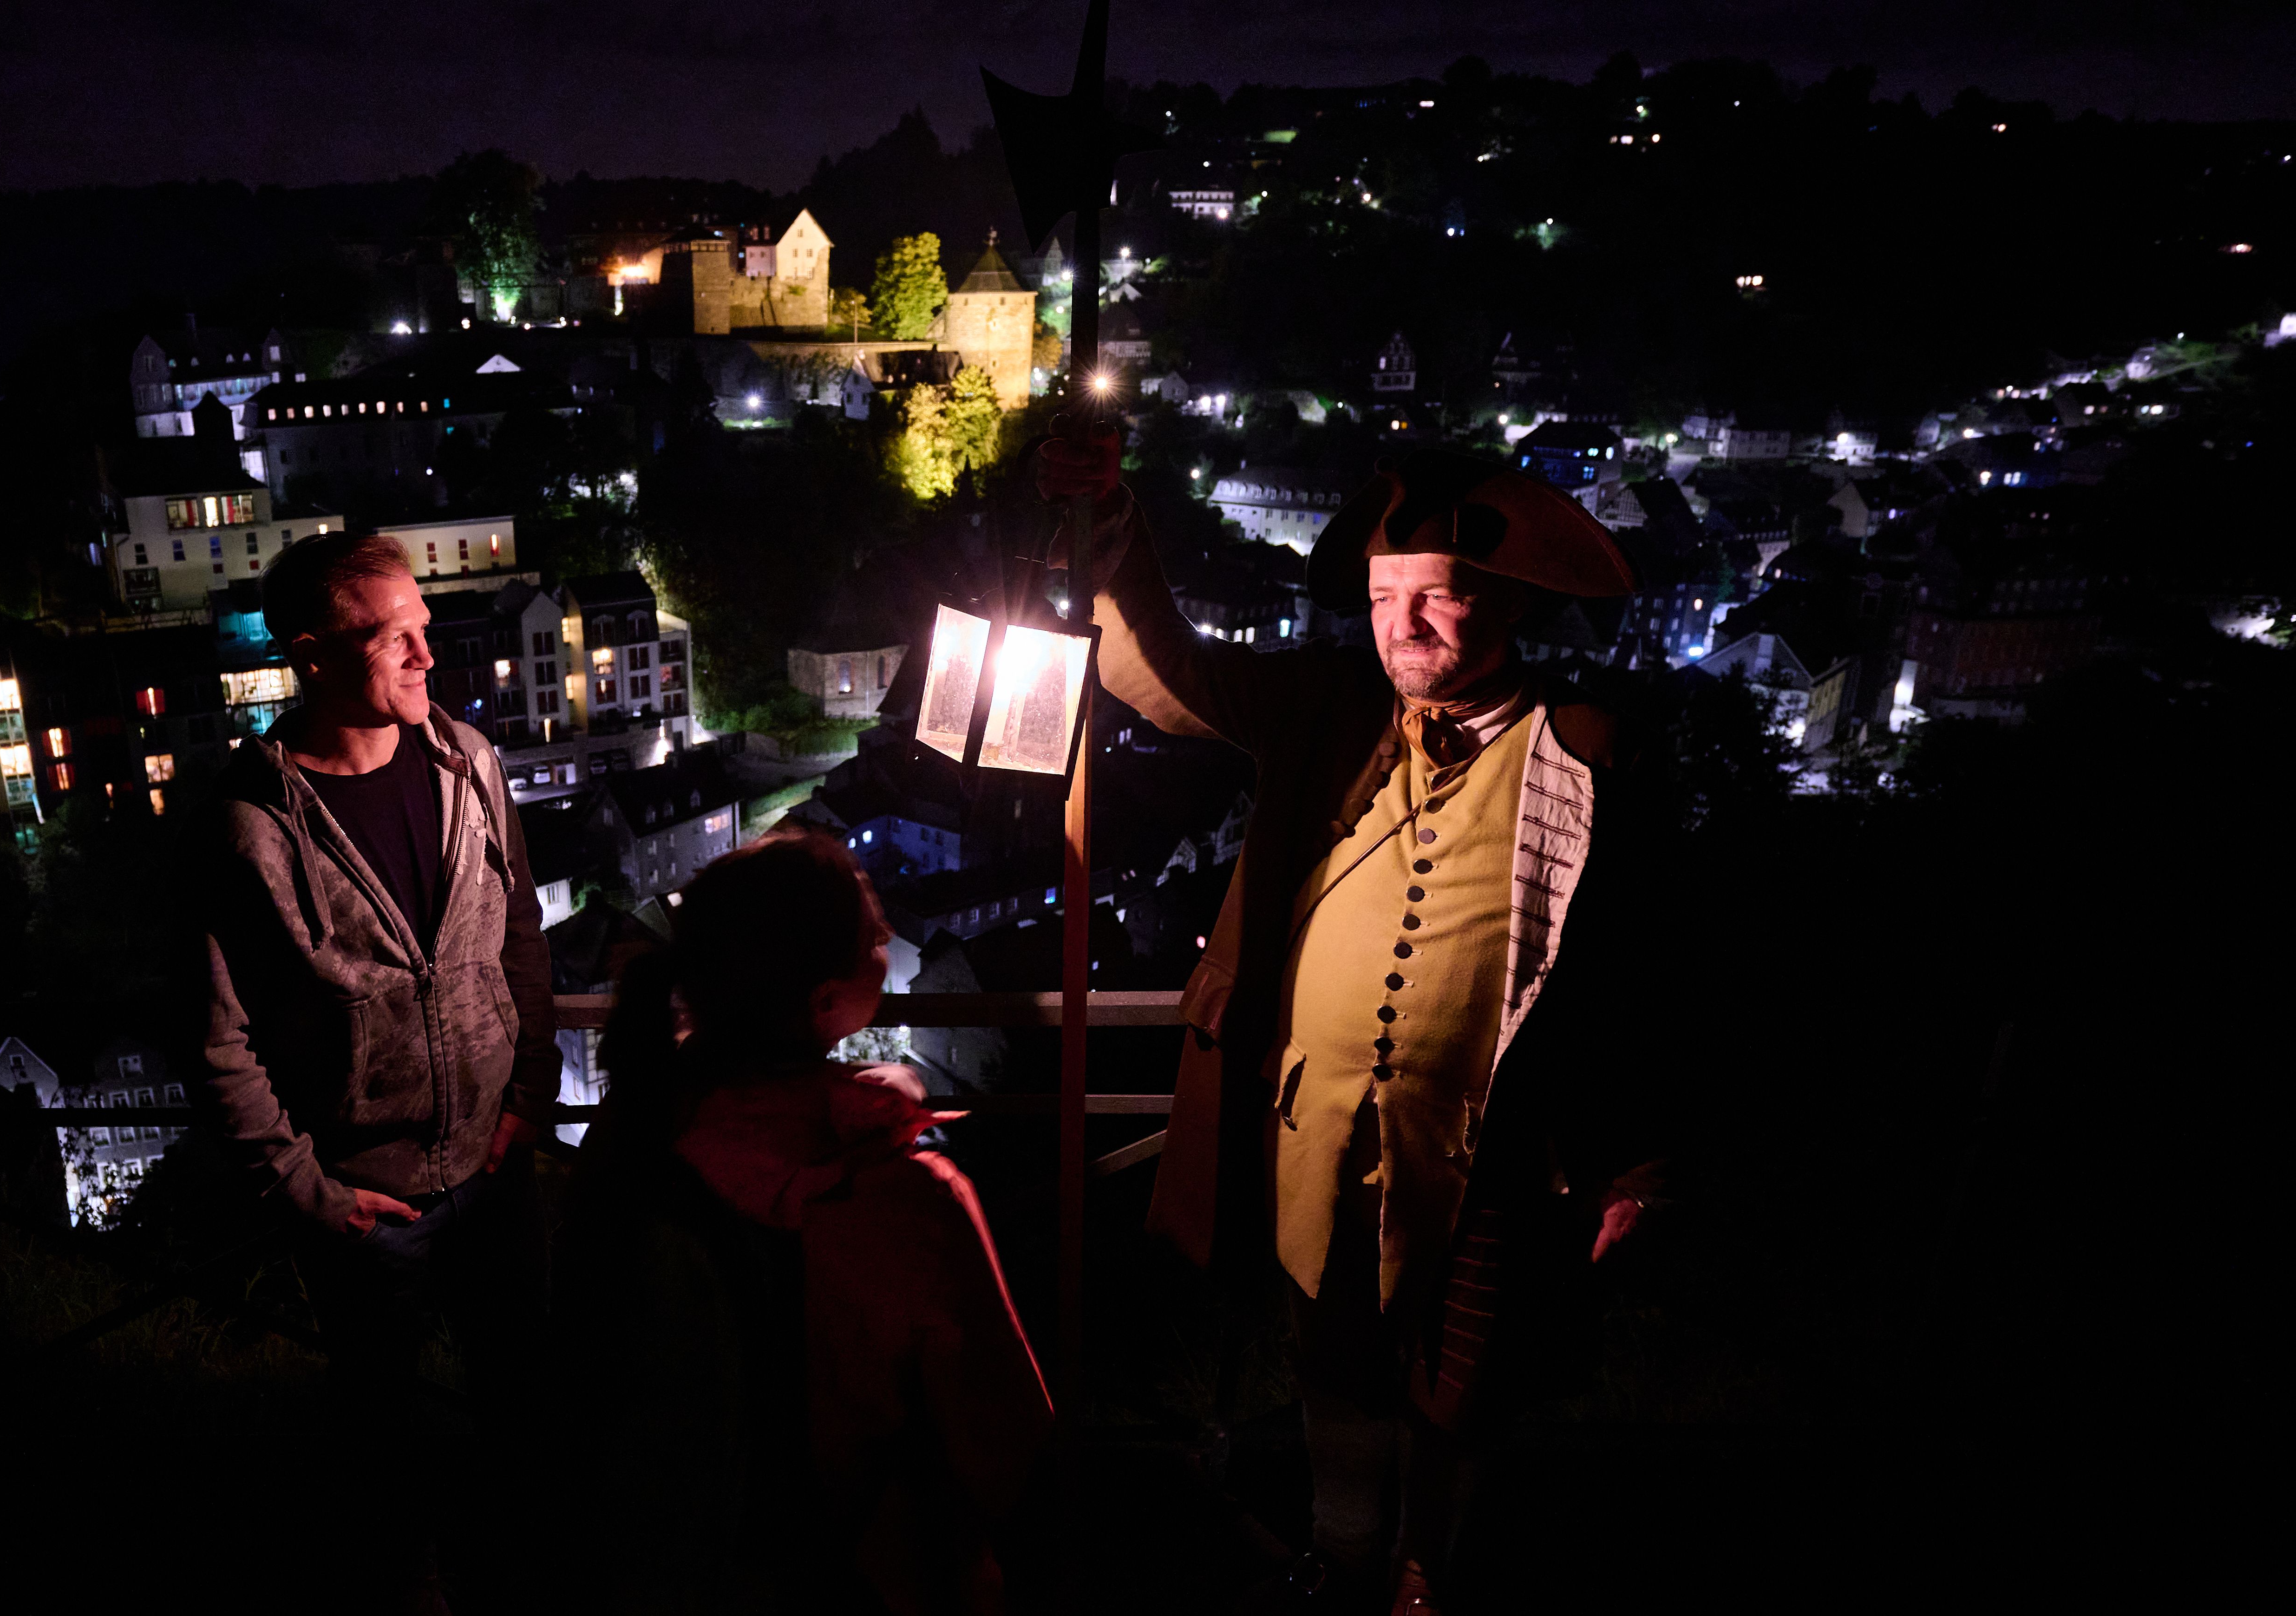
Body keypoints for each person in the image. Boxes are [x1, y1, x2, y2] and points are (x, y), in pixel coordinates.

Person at [1038, 433, 1664, 1614]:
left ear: (1510, 603)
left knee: (1461, 1388)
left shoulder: (1587, 748)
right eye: (1384, 597)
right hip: (1314, 1134)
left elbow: (1642, 969)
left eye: (1438, 597)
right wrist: (1110, 521)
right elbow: (1168, 674)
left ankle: (1428, 1571)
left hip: (1489, 1154)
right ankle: (1342, 1552)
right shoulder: (1326, 706)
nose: (1403, 624)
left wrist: (1632, 1157)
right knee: (1333, 1368)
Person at [190, 530, 557, 1614]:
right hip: (365, 1201)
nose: (426, 656)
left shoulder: (470, 764)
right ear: (310, 654)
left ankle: (525, 1577)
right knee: (384, 1435)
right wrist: (308, 1191)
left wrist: (526, 1099)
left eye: (424, 629)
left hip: (496, 1167)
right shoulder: (246, 829)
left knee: (523, 1405)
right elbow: (217, 1038)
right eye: (391, 637)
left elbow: (521, 937)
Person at [570, 830, 1052, 1616]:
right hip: (860, 1574)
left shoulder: (633, 1132)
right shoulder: (902, 1197)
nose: (890, 931)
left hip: (654, 1564)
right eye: (873, 932)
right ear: (825, 1001)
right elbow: (1008, 1445)